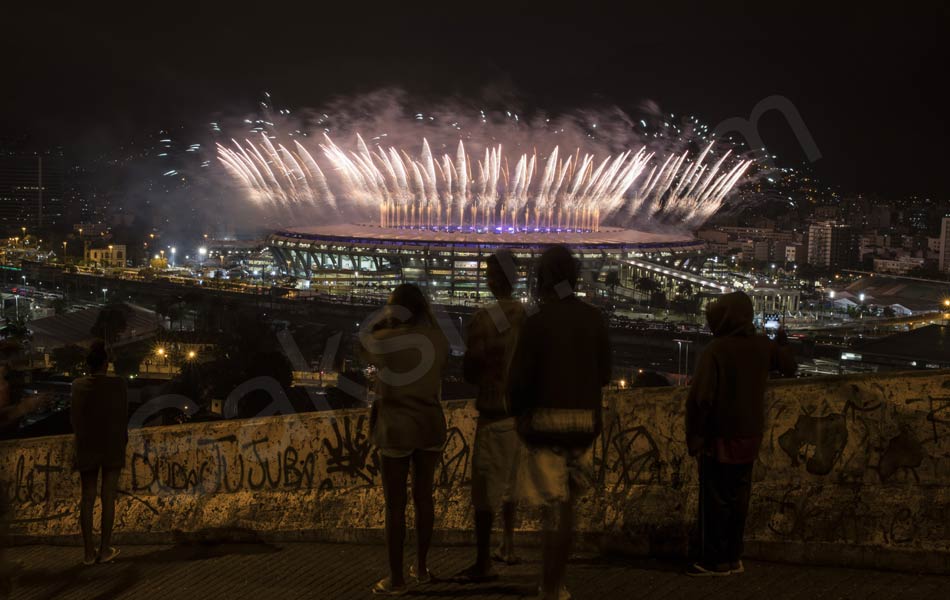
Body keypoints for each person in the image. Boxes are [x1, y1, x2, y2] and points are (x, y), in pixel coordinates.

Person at [508, 245, 611, 600]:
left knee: (551, 508)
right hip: (584, 424)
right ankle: (557, 583)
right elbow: (605, 374)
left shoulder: (537, 324)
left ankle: (548, 584)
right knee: (567, 508)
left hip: (546, 424)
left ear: (544, 278)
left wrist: (521, 417)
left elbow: (519, 382)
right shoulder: (593, 318)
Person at [685, 291, 796, 576]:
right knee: (738, 499)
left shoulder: (716, 350)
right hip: (750, 436)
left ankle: (714, 561)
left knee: (715, 501)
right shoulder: (761, 346)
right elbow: (789, 367)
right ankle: (734, 557)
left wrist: (695, 437)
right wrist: (781, 342)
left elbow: (700, 399)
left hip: (720, 437)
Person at [364, 284, 449, 596]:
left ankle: (396, 578)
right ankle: (423, 568)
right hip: (430, 425)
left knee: (395, 506)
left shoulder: (385, 340)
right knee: (424, 499)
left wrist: (385, 317)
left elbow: (365, 340)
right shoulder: (437, 340)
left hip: (395, 428)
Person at [460, 251, 526, 581]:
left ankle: (483, 560)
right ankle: (509, 544)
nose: (486, 277)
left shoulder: (484, 318)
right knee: (511, 484)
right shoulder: (526, 317)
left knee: (484, 493)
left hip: (492, 411)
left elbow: (470, 368)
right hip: (520, 413)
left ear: (495, 278)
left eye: (488, 272)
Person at [70, 341, 128, 566]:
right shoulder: (119, 385)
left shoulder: (77, 385)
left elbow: (75, 418)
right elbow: (123, 415)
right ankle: (104, 550)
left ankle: (87, 553)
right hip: (112, 445)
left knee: (87, 497)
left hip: (87, 445)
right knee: (108, 497)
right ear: (106, 363)